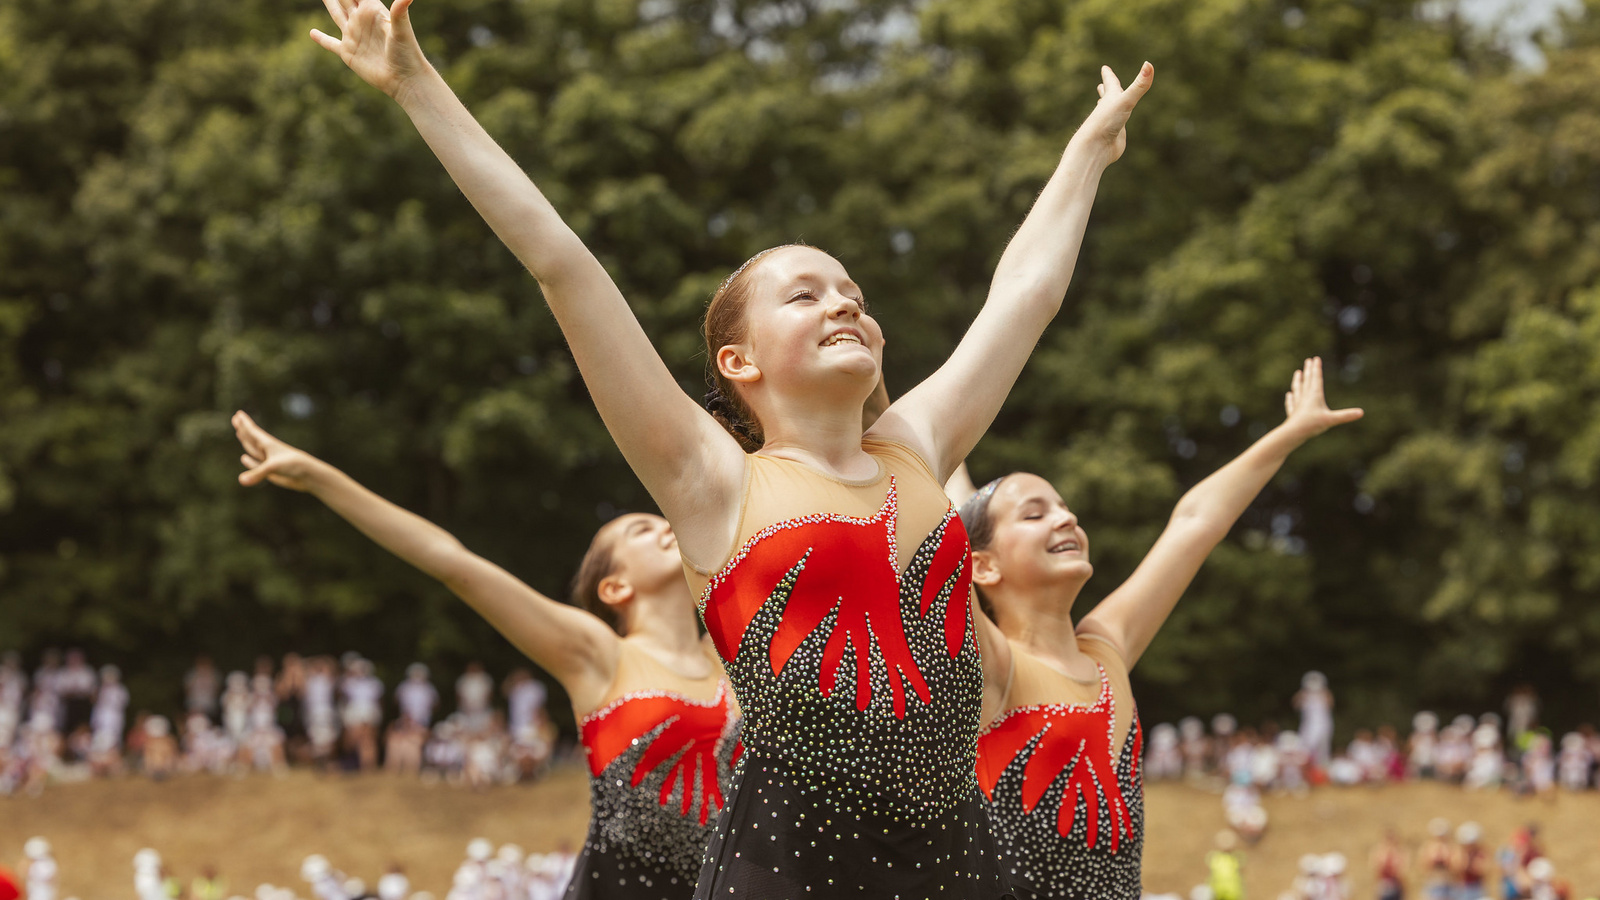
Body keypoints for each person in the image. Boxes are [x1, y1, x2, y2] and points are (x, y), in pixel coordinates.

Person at [300, 0, 1152, 891]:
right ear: (736, 361)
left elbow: (1024, 294)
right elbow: (559, 260)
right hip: (788, 858)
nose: (844, 302)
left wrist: (1086, 153)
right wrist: (416, 86)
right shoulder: (709, 480)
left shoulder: (915, 449)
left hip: (953, 853)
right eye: (805, 294)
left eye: (852, 291)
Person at [232, 414, 739, 898]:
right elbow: (453, 563)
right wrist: (319, 478)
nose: (665, 527)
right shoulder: (598, 654)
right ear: (614, 587)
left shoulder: (731, 654)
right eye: (640, 530)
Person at [960, 359, 1360, 899]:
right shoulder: (995, 666)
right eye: (1035, 514)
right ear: (983, 565)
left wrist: (1288, 435)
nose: (1065, 518)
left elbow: (1195, 524)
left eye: (1065, 507)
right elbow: (945, 526)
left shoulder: (1106, 651)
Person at [1295, 672, 1334, 769]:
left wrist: (1323, 690)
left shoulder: (1324, 694)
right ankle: (1306, 771)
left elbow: (1331, 703)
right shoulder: (1304, 696)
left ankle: (1322, 771)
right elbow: (1295, 704)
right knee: (1305, 749)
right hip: (1308, 726)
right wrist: (1304, 691)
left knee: (1322, 750)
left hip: (1323, 725)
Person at [1372, 829, 1406, 900]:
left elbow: (1402, 872)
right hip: (1384, 887)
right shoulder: (1379, 853)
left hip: (1396, 887)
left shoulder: (1400, 852)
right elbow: (1375, 870)